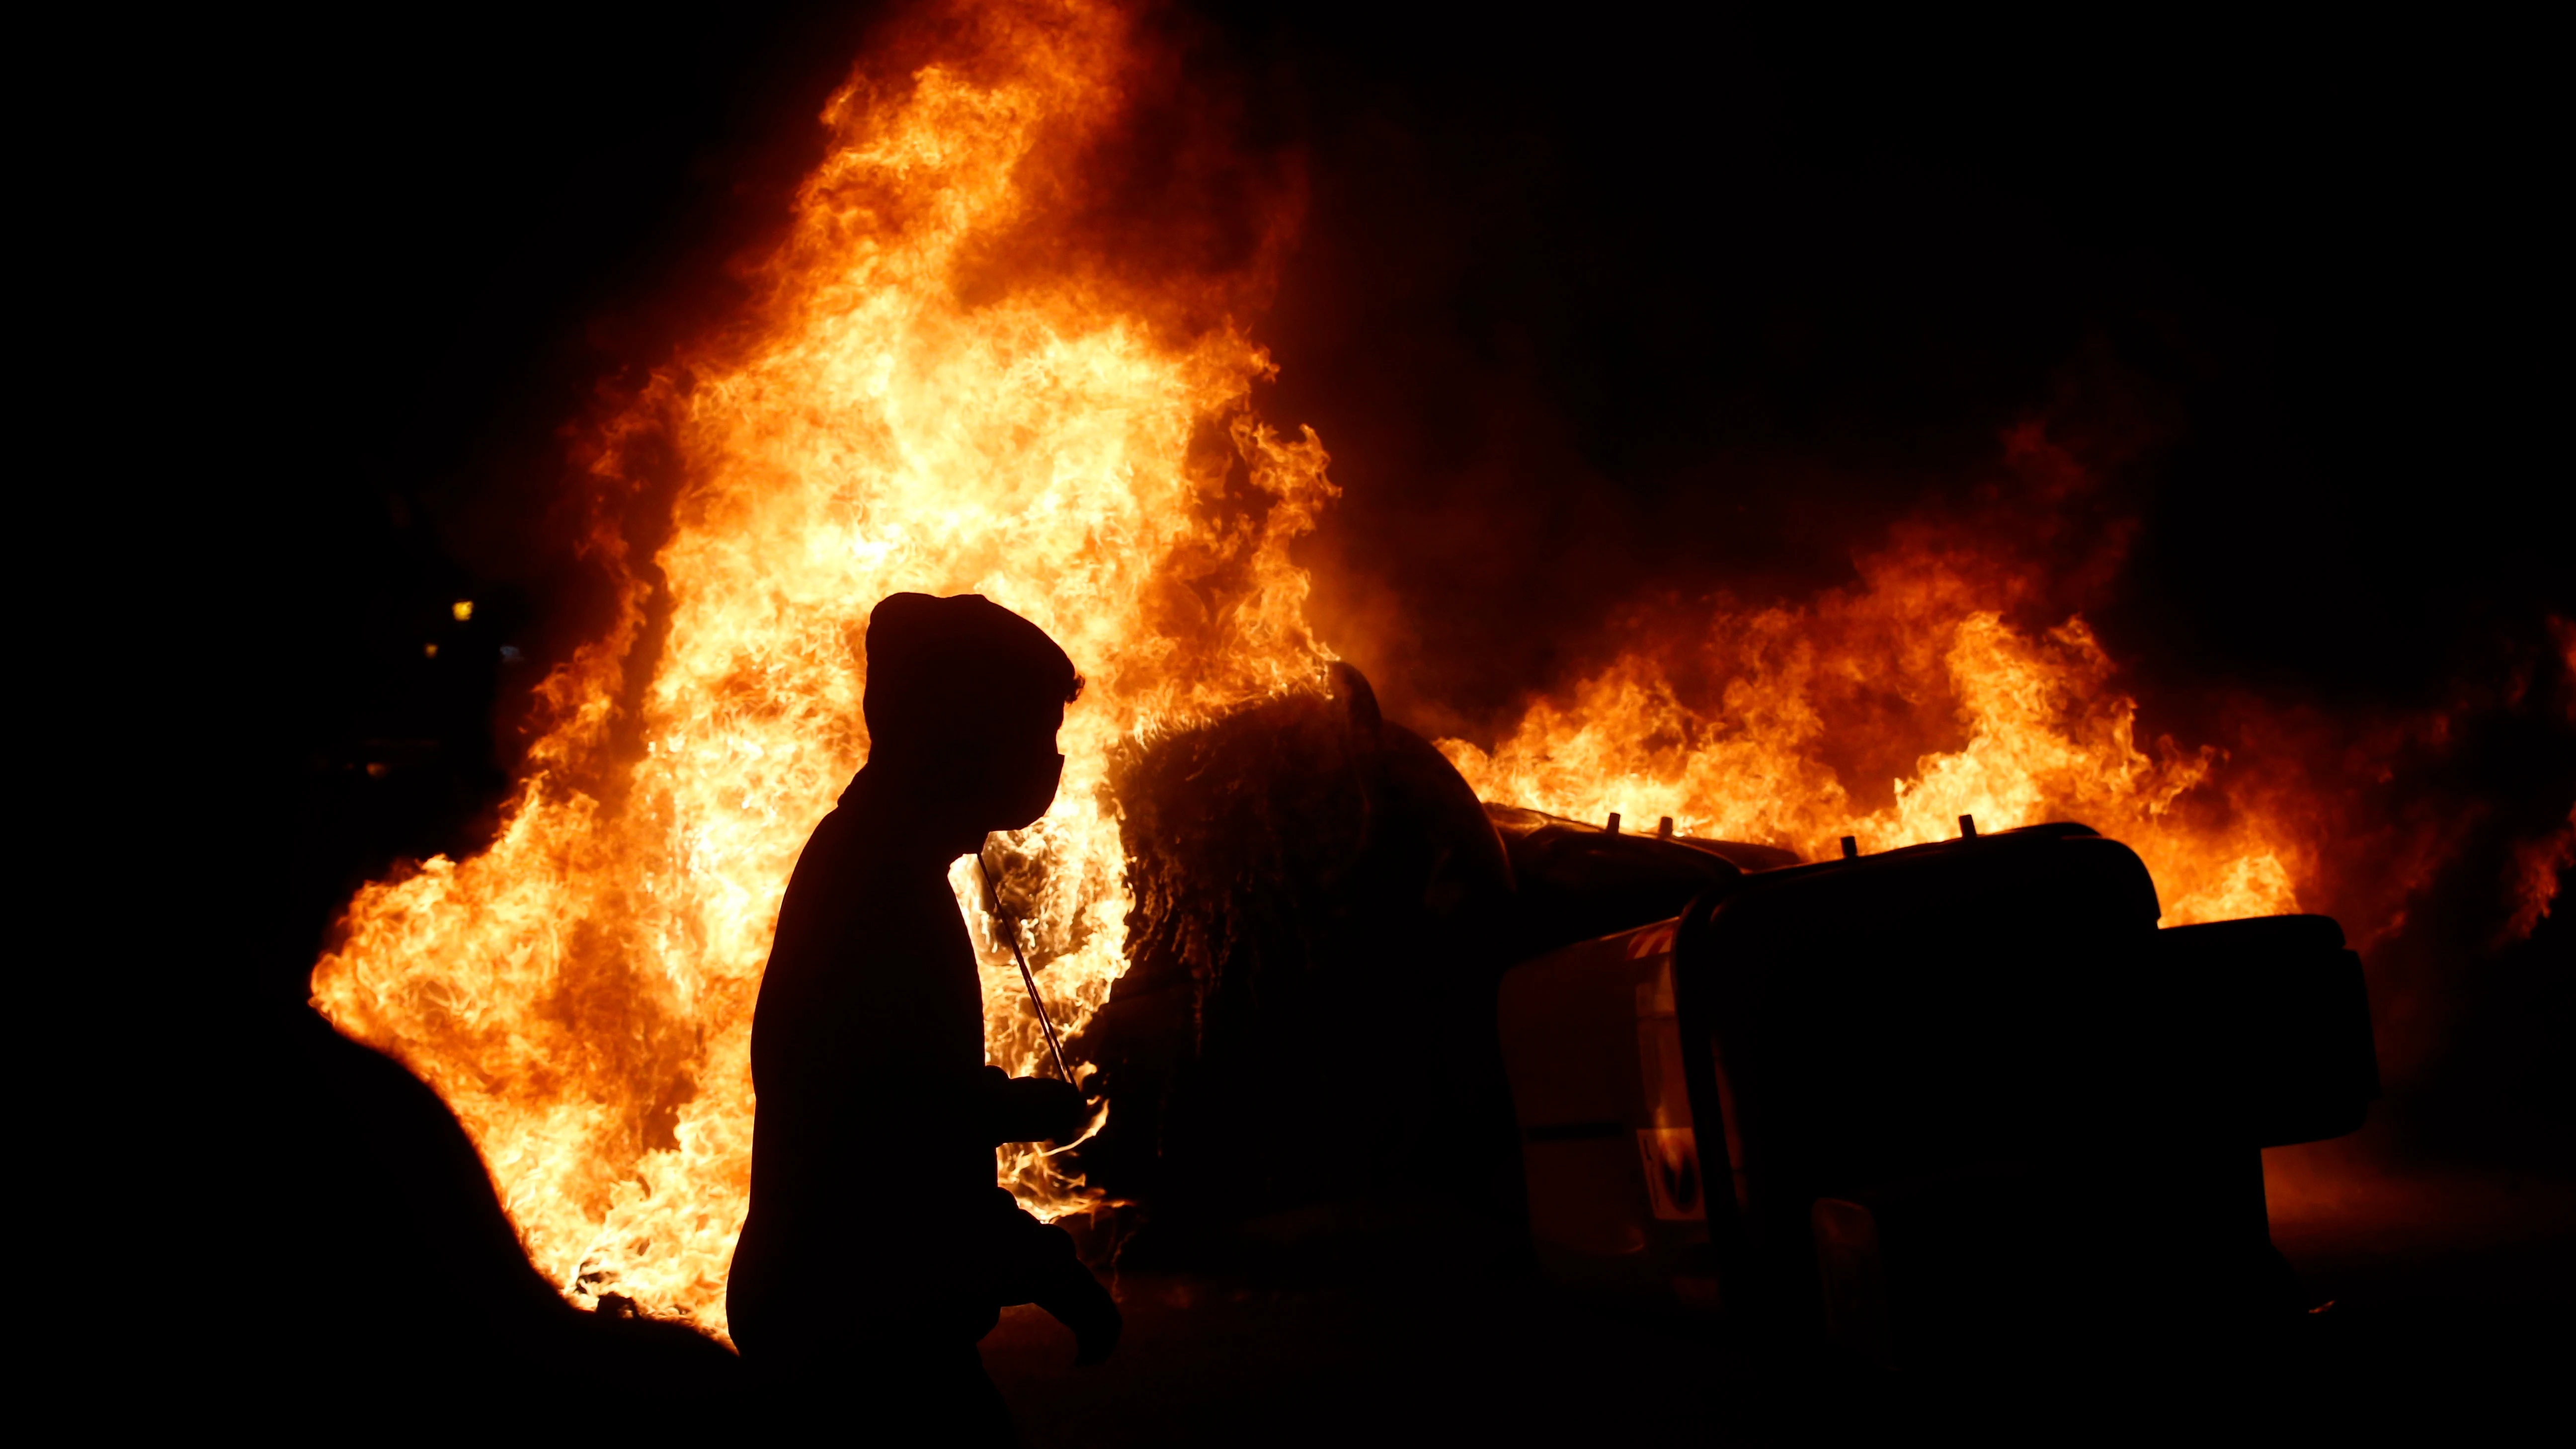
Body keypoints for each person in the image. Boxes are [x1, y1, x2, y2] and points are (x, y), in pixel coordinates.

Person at [727, 592, 1121, 1441]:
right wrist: (1052, 1273)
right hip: (856, 1327)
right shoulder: (880, 893)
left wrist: (1017, 1111)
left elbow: (899, 1093)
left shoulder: (878, 864)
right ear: (967, 736)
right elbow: (892, 1141)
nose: (1050, 761)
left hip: (832, 1306)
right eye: (1036, 734)